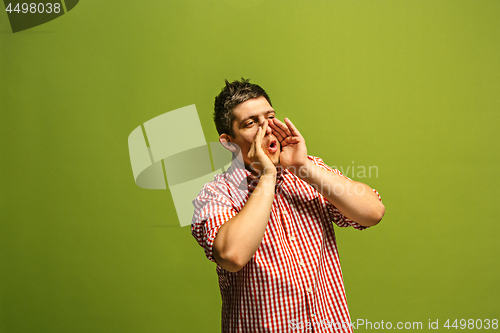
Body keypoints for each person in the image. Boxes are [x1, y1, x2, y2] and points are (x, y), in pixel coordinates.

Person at [191, 78, 385, 333]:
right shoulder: (216, 194)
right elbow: (232, 256)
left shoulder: (307, 171)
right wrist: (268, 175)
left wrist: (303, 167)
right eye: (251, 123)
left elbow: (372, 212)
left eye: (269, 117)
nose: (267, 129)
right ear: (228, 142)